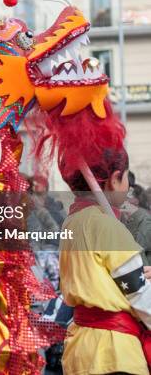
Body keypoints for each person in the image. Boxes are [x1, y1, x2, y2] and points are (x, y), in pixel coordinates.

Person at [59, 147, 151, 375]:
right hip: (114, 353)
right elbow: (141, 297)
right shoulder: (108, 226)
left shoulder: (72, 222)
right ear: (114, 179)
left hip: (80, 349)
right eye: (125, 178)